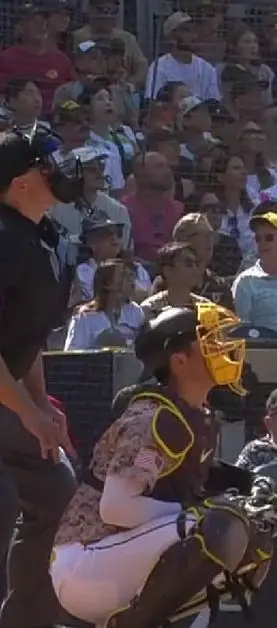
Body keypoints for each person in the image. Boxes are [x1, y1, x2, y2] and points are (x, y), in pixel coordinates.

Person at [49, 303, 277, 627]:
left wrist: (249, 483)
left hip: (121, 555)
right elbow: (115, 508)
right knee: (219, 523)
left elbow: (194, 473)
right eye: (208, 343)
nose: (222, 349)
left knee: (253, 539)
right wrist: (199, 511)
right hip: (86, 560)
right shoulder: (154, 420)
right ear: (180, 361)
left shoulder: (193, 416)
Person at [0, 126, 82, 627]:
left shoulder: (43, 236)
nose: (58, 169)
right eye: (43, 163)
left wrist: (42, 407)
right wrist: (27, 413)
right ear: (18, 182)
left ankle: (24, 619)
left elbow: (23, 337)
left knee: (54, 486)